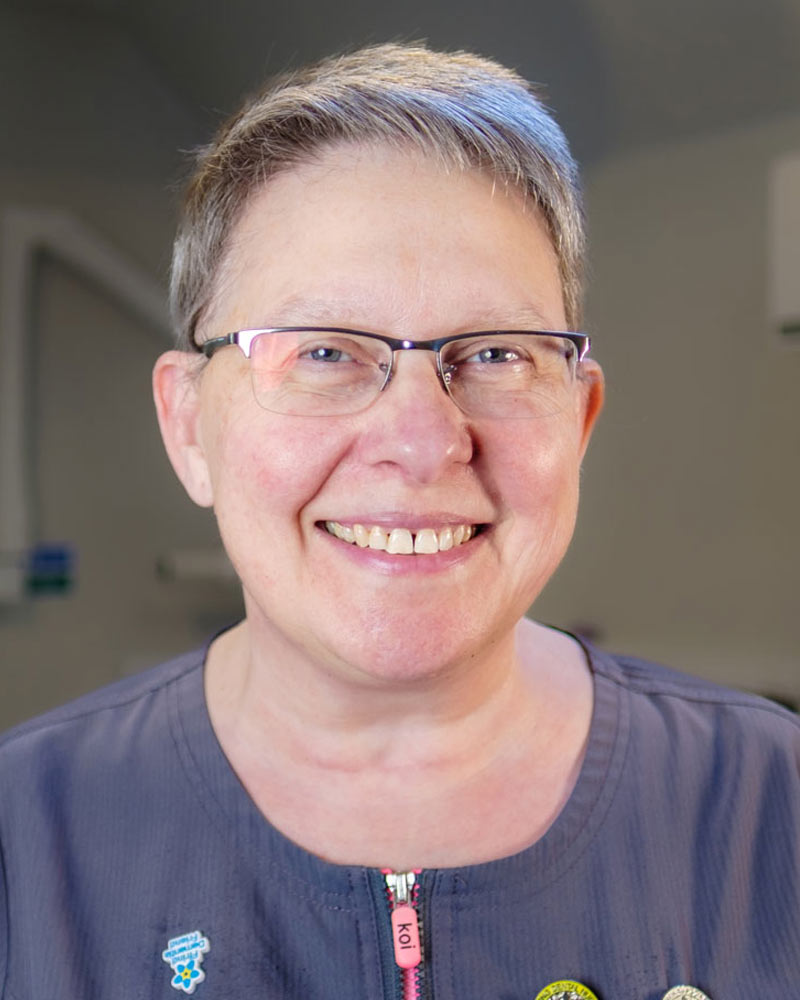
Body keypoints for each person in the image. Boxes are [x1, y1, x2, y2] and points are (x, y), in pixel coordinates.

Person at [0, 43, 798, 1000]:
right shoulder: (24, 841)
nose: (423, 441)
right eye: (327, 350)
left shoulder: (771, 808)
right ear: (188, 428)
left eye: (498, 352)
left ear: (578, 421)